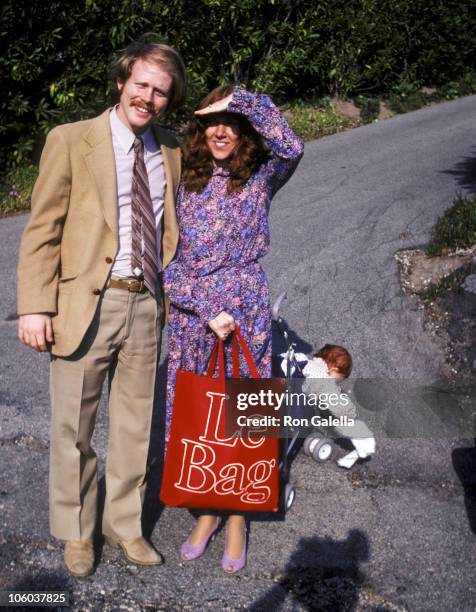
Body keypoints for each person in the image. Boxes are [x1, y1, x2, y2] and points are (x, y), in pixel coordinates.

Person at [16, 38, 186, 577]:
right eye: (141, 84)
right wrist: (34, 307)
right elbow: (43, 228)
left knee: (136, 428)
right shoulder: (71, 140)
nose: (148, 98)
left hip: (145, 307)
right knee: (74, 431)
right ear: (121, 83)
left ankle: (126, 526)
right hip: (85, 306)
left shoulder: (174, 150)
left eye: (160, 91)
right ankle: (77, 534)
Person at [163, 85, 304, 573]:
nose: (221, 131)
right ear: (200, 130)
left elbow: (293, 146)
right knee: (197, 416)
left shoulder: (262, 177)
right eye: (212, 123)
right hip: (192, 314)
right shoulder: (184, 180)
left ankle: (239, 513)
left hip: (245, 305)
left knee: (244, 413)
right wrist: (203, 305)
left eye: (232, 123)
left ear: (245, 129)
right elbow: (167, 261)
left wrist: (238, 100)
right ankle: (206, 511)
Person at [294, 344, 376, 468]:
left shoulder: (304, 361)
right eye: (338, 380)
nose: (335, 384)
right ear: (334, 370)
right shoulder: (322, 378)